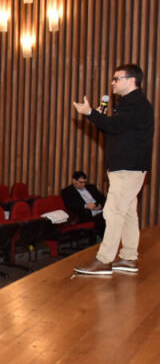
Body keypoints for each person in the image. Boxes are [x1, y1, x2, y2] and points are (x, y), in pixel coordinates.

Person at [71, 64, 153, 275]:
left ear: (131, 80)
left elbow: (116, 127)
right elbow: (114, 129)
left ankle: (104, 259)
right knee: (127, 214)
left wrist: (90, 113)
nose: (112, 82)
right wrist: (97, 116)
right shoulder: (128, 105)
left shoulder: (136, 105)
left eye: (117, 78)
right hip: (126, 167)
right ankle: (128, 257)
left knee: (113, 211)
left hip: (128, 167)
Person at [61, 171, 106, 237]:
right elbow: (69, 205)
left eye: (85, 182)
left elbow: (103, 198)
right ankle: (106, 241)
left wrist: (100, 205)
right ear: (74, 181)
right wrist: (85, 206)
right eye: (81, 182)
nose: (83, 185)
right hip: (85, 214)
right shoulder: (67, 191)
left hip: (100, 211)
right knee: (101, 220)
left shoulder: (91, 187)